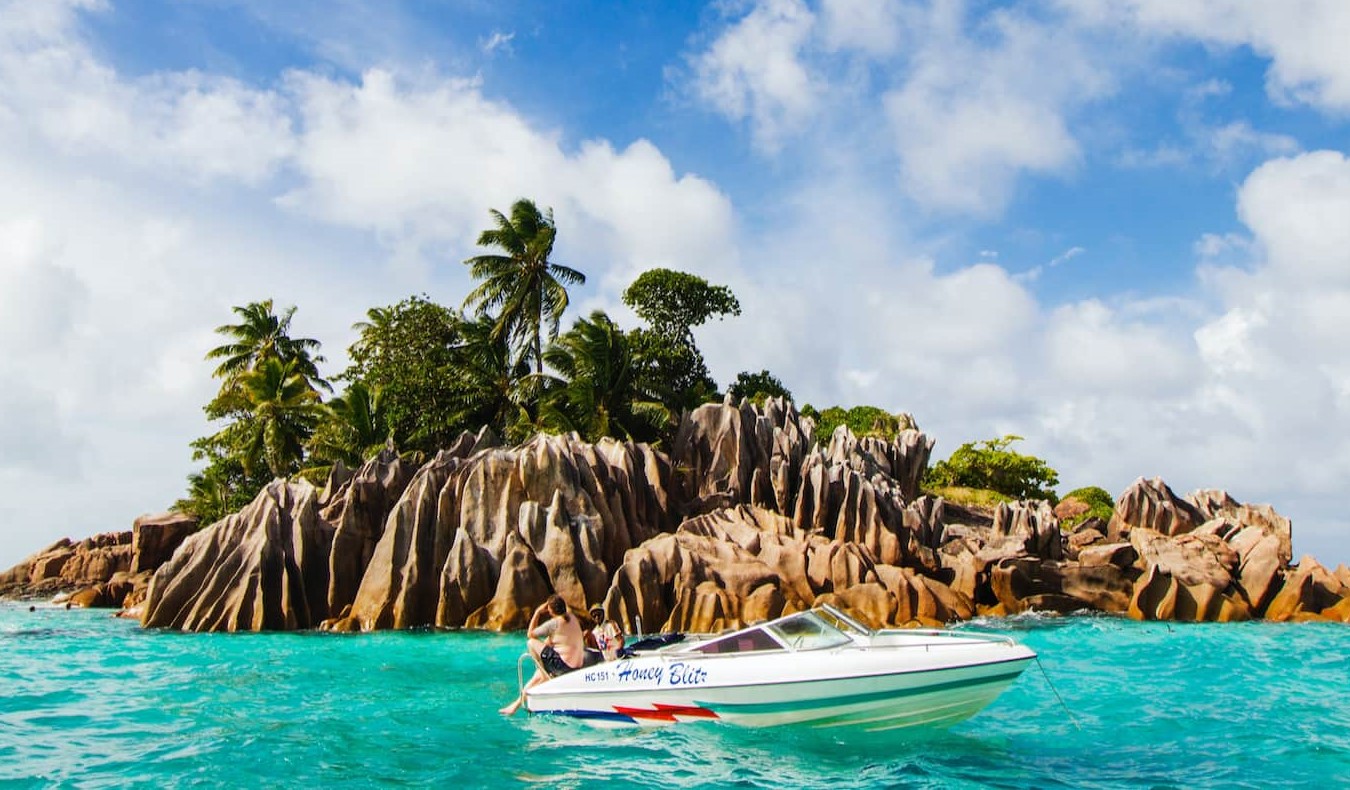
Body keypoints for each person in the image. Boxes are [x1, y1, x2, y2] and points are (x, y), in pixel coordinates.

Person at [500, 595, 592, 716]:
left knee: (531, 643)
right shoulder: (572, 618)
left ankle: (544, 673)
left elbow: (530, 634)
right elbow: (551, 641)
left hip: (563, 668)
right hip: (576, 666)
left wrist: (537, 612)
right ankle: (515, 705)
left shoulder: (554, 624)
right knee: (536, 676)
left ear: (550, 610)